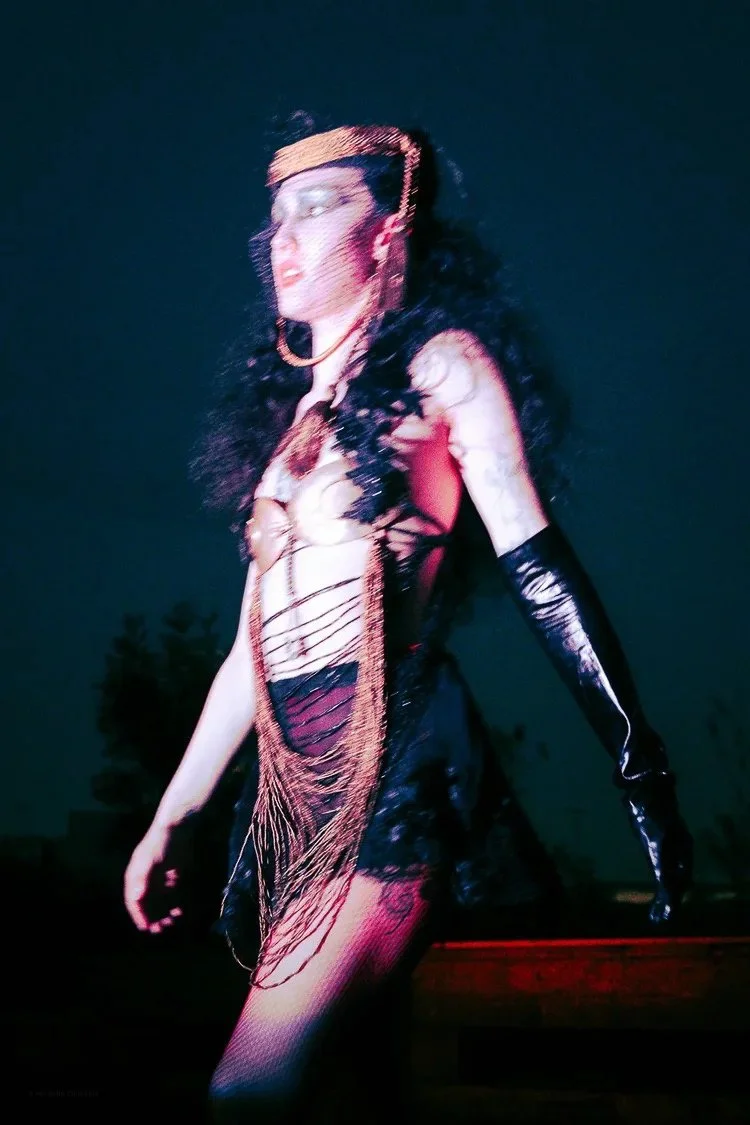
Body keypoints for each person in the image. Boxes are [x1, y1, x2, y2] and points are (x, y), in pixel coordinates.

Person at [123, 115, 693, 1122]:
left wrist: (640, 772)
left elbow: (541, 569)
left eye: (316, 208)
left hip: (396, 768)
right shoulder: (294, 423)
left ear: (387, 231)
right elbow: (247, 650)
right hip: (296, 791)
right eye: (273, 221)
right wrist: (175, 811)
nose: (282, 242)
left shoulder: (443, 366)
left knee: (248, 1098)